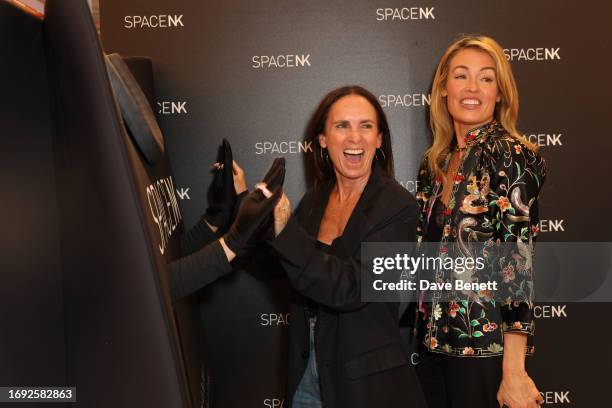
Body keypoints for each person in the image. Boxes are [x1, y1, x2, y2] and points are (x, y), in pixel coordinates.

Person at [270, 86, 426, 408]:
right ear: (323, 140)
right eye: (342, 126)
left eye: (366, 126)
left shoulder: (398, 207)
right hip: (306, 376)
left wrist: (285, 232)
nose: (355, 137)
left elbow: (353, 287)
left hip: (365, 387)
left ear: (379, 139)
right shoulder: (314, 200)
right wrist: (242, 218)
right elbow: (283, 267)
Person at [413, 35, 547, 408]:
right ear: (443, 88)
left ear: (500, 93)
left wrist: (515, 371)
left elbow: (518, 262)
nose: (472, 88)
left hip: (483, 350)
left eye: (486, 78)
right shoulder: (435, 163)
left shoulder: (510, 153)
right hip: (432, 343)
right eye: (461, 76)